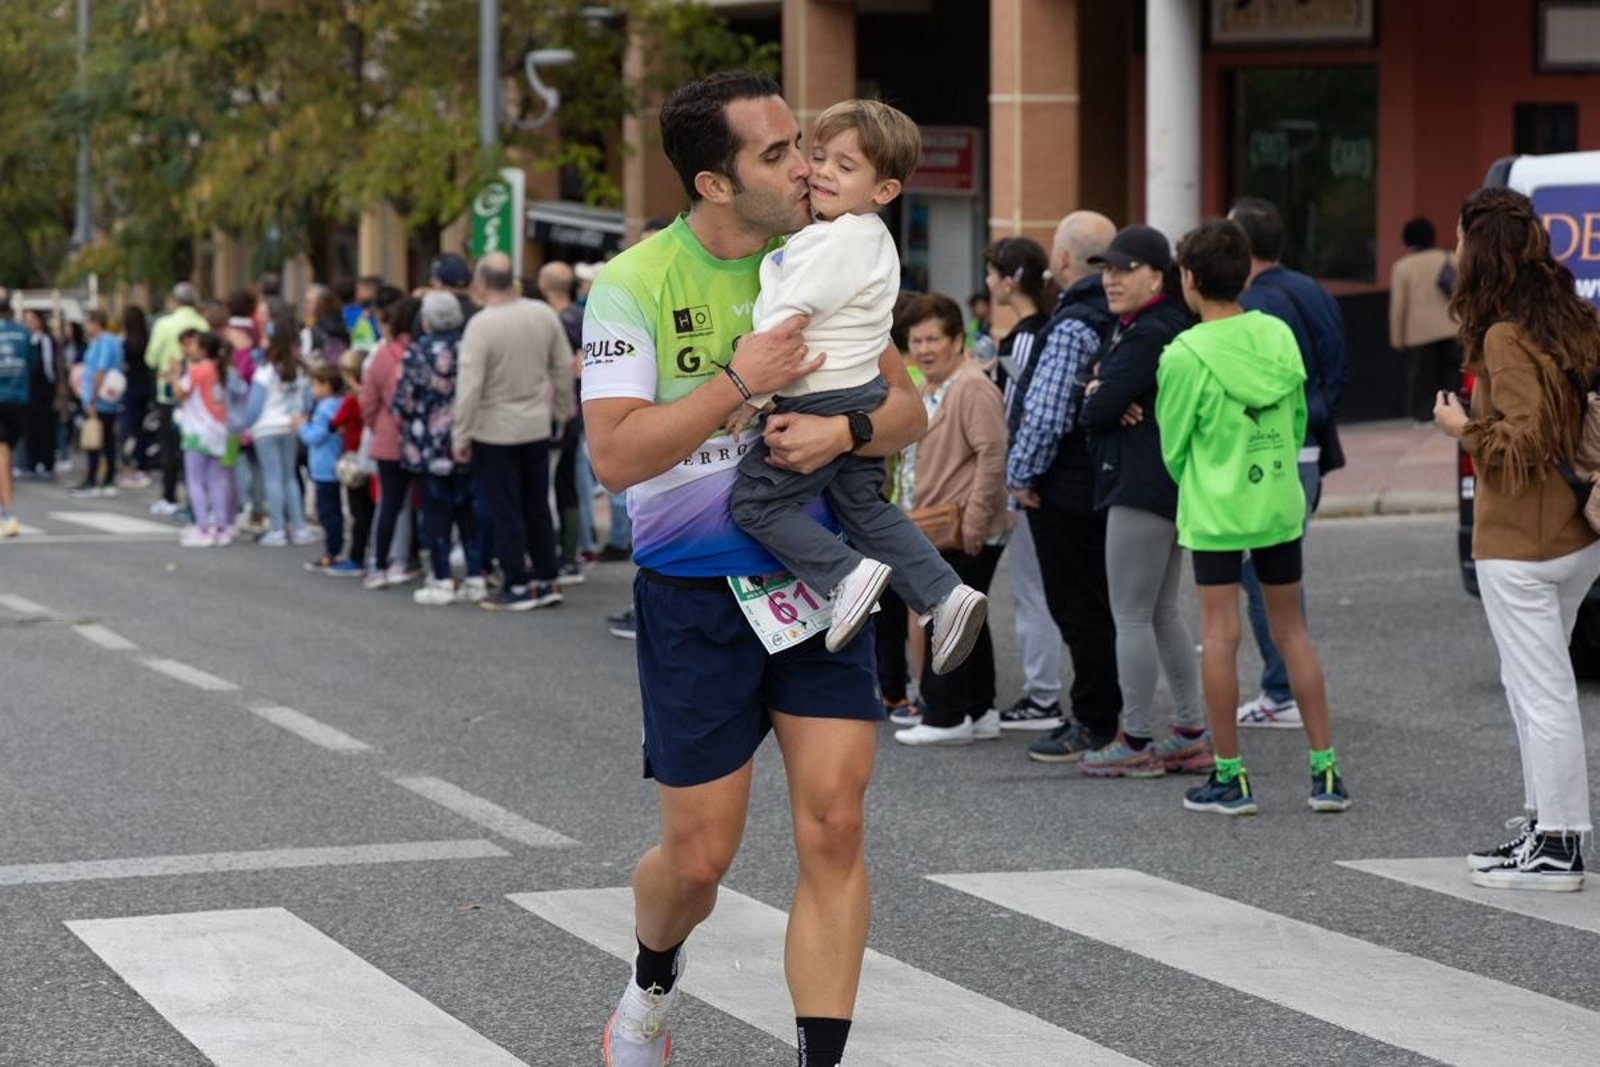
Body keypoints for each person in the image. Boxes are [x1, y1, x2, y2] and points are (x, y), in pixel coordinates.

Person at [581, 71, 927, 1067]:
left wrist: (844, 433)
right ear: (715, 181)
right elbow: (615, 454)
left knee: (836, 820)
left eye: (805, 145)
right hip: (693, 591)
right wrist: (740, 382)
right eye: (777, 152)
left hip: (820, 581)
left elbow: (910, 409)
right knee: (699, 858)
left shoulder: (830, 255)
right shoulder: (634, 281)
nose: (806, 164)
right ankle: (649, 982)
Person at [725, 98, 986, 671]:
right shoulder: (869, 239)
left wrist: (748, 393)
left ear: (884, 190)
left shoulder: (835, 239)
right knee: (864, 508)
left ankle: (847, 577)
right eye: (819, 157)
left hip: (818, 394)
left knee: (755, 505)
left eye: (845, 167)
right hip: (861, 390)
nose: (820, 172)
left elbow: (786, 318)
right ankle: (945, 595)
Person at [1156, 217, 1349, 817]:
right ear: (1244, 275)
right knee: (1292, 631)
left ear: (1188, 278)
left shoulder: (1183, 353)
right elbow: (1295, 424)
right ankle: (1325, 774)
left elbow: (1173, 446)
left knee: (1220, 635)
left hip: (1216, 507)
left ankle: (1231, 777)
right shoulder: (1276, 334)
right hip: (1277, 502)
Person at [1436, 188, 1600, 891]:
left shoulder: (1504, 333)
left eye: (1459, 241)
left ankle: (1559, 844)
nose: (1453, 252)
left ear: (1482, 251)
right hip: (1574, 532)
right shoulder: (1566, 318)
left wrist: (1461, 430)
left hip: (1523, 541)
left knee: (1541, 691)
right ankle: (1544, 826)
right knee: (1535, 683)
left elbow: (1526, 436)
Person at [1071, 224, 1210, 777]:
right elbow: (1099, 392)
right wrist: (1101, 388)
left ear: (1158, 276)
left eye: (1124, 270)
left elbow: (1095, 411)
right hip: (1162, 483)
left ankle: (1135, 740)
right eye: (1106, 269)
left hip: (1140, 483)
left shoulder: (1151, 331)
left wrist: (1103, 397)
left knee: (1130, 613)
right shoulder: (1144, 326)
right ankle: (1189, 732)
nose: (1111, 279)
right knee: (1160, 610)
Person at [1003, 220, 1123, 761]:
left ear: (1066, 259)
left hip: (1065, 488)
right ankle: (1119, 713)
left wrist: (1021, 477)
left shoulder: (1073, 322)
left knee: (1079, 609)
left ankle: (1095, 720)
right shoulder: (1123, 316)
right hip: (1108, 480)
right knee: (1112, 606)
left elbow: (1046, 413)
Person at [1229, 196, 1347, 731]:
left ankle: (1280, 692)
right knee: (1281, 574)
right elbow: (1338, 366)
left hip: (1276, 453)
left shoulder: (1254, 304)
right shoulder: (1313, 290)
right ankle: (1287, 687)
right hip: (1313, 446)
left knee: (1263, 579)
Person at [889, 294, 1012, 745]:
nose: (923, 349)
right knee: (969, 619)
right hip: (934, 524)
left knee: (948, 615)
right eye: (916, 340)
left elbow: (992, 454)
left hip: (964, 525)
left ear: (958, 339)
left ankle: (946, 716)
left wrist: (978, 519)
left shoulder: (971, 386)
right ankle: (981, 711)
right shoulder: (930, 387)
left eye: (933, 339)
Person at [991, 226, 1095, 732]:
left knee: (1037, 589)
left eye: (992, 273)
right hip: (1048, 475)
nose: (987, 283)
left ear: (1009, 281)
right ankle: (1049, 692)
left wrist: (1016, 472)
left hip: (1034, 478)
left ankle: (1043, 694)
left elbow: (1031, 413)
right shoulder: (1046, 327)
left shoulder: (1033, 336)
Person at [451, 252, 574, 611]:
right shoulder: (542, 314)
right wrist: (561, 411)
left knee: (505, 508)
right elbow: (563, 367)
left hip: (494, 429)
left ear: (482, 282)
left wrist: (461, 435)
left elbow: (469, 387)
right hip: (536, 422)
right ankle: (547, 577)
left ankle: (517, 582)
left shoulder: (481, 325)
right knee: (537, 502)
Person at [395, 291, 486, 606]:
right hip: (467, 439)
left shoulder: (417, 353)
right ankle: (476, 576)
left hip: (428, 446)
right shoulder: (468, 347)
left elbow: (402, 401)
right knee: (469, 510)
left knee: (436, 512)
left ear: (427, 320)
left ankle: (443, 579)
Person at [540, 259, 594, 580]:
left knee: (561, 484)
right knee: (570, 484)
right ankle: (575, 551)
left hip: (564, 409)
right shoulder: (583, 316)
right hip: (581, 404)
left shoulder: (558, 322)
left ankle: (567, 554)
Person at [364, 295, 422, 588]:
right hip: (426, 438)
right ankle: (409, 560)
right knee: (426, 502)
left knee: (390, 504)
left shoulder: (384, 355)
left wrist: (378, 425)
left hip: (389, 437)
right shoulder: (426, 352)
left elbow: (368, 400)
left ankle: (379, 564)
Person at [245, 312, 313, 547]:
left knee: (272, 478)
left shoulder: (265, 371)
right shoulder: (300, 369)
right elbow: (308, 400)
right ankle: (299, 527)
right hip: (291, 426)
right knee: (290, 477)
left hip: (266, 428)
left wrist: (245, 424)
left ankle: (276, 529)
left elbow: (254, 406)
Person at [145, 283, 208, 514]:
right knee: (194, 450)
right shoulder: (202, 323)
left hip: (169, 392)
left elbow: (151, 358)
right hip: (199, 395)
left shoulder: (164, 324)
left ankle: (169, 496)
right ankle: (195, 500)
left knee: (169, 448)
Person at [1391, 216, 1460, 423]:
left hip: (1418, 333)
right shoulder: (1450, 258)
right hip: (1452, 327)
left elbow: (1398, 306)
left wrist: (1397, 338)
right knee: (1452, 374)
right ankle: (1455, 413)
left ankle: (1423, 417)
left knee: (1422, 378)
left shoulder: (1402, 267)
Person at [172, 331, 233, 547]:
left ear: (203, 350)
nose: (190, 349)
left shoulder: (198, 370)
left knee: (195, 481)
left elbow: (180, 393)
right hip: (219, 430)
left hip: (197, 432)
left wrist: (174, 376)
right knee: (217, 482)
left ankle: (203, 528)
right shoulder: (222, 369)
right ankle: (222, 529)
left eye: (194, 345)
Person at [326, 348, 372, 577]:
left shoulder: (352, 400)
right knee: (373, 508)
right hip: (373, 455)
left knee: (358, 511)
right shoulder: (372, 396)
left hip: (355, 457)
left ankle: (356, 556)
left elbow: (335, 423)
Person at [296, 364, 347, 570]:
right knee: (333, 510)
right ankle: (335, 548)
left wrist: (301, 425)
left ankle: (332, 551)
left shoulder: (324, 408)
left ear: (327, 386)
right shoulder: (339, 404)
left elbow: (314, 436)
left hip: (324, 466)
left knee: (328, 512)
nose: (312, 389)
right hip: (334, 462)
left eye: (315, 385)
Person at [75, 310, 126, 497]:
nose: (85, 327)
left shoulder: (105, 342)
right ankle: (101, 477)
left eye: (88, 322)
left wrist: (92, 398)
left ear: (97, 323)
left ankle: (98, 478)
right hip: (99, 397)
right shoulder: (103, 341)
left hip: (100, 399)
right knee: (103, 439)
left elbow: (100, 370)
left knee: (99, 440)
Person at [0, 299, 33, 538]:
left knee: (2, 457)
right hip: (19, 400)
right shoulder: (23, 333)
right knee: (6, 455)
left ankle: (8, 513)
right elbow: (33, 365)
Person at [20, 309, 59, 480]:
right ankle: (31, 463)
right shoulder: (26, 340)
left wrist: (54, 386)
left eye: (32, 319)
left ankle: (47, 463)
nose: (29, 322)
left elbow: (51, 367)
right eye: (26, 319)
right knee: (30, 428)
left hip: (44, 389)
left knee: (45, 428)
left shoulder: (46, 340)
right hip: (28, 389)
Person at [118, 305, 154, 484]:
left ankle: (138, 465)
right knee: (145, 429)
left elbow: (123, 365)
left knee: (134, 428)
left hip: (132, 387)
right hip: (147, 386)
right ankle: (144, 464)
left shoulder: (126, 343)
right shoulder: (148, 338)